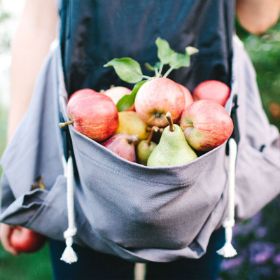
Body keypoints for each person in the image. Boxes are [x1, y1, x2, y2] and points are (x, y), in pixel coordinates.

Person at [0, 0, 279, 279]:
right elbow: (259, 18)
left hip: (90, 152)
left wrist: (21, 178)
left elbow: (39, 23)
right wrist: (20, 180)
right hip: (190, 159)